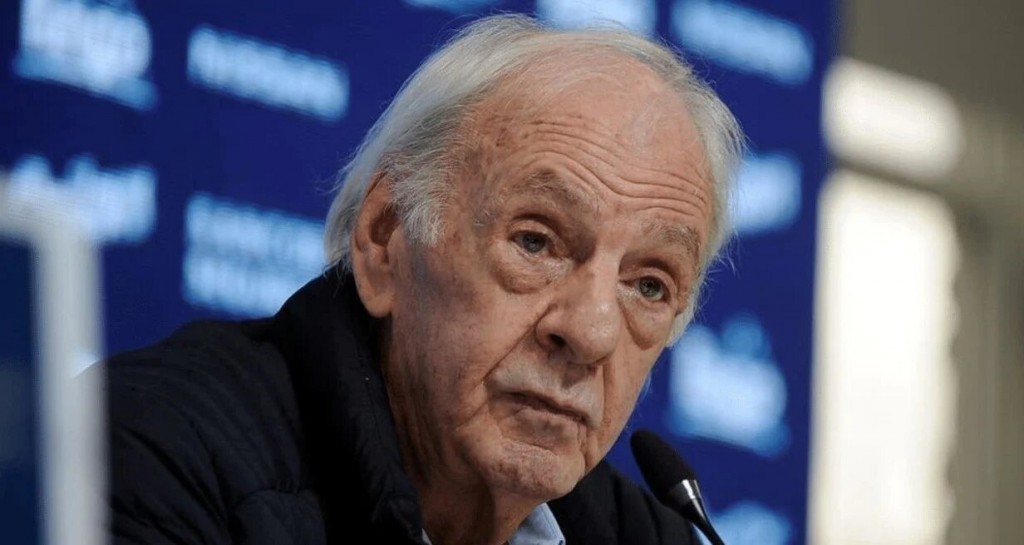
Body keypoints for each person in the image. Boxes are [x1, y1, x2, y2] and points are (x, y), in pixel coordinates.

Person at [103, 13, 744, 545]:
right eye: (535, 242)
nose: (592, 332)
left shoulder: (649, 535)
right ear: (386, 239)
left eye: (650, 285)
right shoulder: (156, 456)